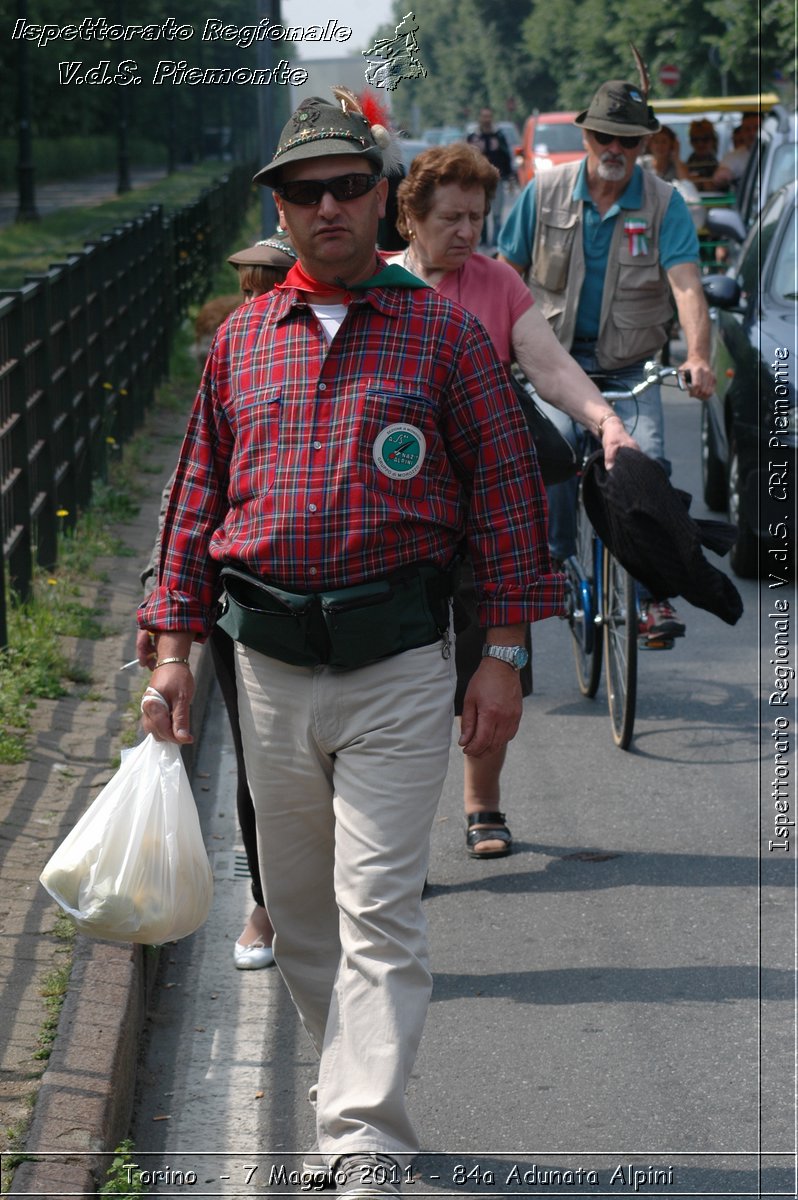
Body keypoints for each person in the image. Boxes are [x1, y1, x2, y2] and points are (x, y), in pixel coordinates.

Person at [137, 91, 563, 1196]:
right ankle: (346, 1094)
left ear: (382, 196)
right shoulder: (239, 343)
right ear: (280, 209)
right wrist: (172, 650)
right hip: (268, 673)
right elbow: (192, 507)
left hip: (397, 668)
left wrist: (504, 655)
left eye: (346, 185)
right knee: (307, 918)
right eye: (303, 191)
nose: (327, 206)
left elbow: (510, 504)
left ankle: (365, 1134)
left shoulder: (443, 335)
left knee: (380, 904)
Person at [386, 142, 638, 858]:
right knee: (399, 682)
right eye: (451, 218)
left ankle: (482, 802)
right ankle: (399, 841)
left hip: (487, 505)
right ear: (412, 218)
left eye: (478, 217)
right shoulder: (379, 287)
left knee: (493, 656)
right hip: (401, 516)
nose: (467, 232)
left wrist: (606, 422)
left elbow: (550, 365)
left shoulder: (498, 285)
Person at [497, 70, 716, 646]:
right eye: (605, 138)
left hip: (631, 367)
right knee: (560, 452)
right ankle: (559, 564)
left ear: (645, 145)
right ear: (587, 135)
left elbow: (687, 285)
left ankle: (650, 598)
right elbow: (504, 276)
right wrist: (491, 350)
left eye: (630, 141)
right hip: (554, 363)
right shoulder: (542, 193)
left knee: (647, 467)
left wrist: (697, 356)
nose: (616, 150)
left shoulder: (664, 203)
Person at [138, 234, 297, 971]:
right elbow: (188, 495)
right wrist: (164, 613)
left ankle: (343, 907)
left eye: (269, 286)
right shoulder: (235, 357)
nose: (256, 302)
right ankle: (266, 905)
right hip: (249, 609)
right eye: (247, 288)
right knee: (258, 766)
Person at [466, 106, 515, 247]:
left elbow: (506, 157)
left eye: (489, 117)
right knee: (480, 209)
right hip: (478, 180)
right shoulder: (473, 137)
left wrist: (510, 177)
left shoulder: (498, 136)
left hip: (497, 179)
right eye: (484, 117)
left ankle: (497, 241)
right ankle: (483, 239)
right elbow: (466, 156)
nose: (486, 120)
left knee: (497, 211)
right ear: (479, 118)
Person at [712, 111, 761, 190]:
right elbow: (723, 172)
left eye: (757, 128)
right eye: (747, 129)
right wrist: (722, 176)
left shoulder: (777, 152)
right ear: (742, 132)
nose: (752, 133)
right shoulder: (733, 156)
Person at [685, 118, 719, 192]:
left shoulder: (717, 163)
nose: (700, 144)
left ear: (713, 140)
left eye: (705, 139)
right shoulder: (689, 162)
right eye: (695, 139)